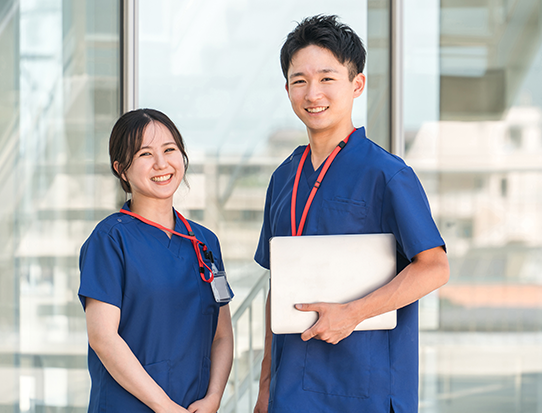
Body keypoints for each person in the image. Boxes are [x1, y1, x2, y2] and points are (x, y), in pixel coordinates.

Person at [253, 15, 449, 413]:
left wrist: (351, 314)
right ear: (287, 89)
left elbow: (434, 267)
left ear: (356, 84)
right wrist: (265, 389)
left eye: (327, 78)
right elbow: (280, 287)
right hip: (291, 393)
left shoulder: (387, 174)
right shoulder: (283, 178)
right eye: (299, 80)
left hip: (366, 389)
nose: (313, 93)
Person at [78, 108, 234, 413]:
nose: (162, 164)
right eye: (145, 154)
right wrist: (164, 406)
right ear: (121, 169)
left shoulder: (204, 242)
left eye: (169, 150)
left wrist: (214, 397)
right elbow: (103, 337)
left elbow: (223, 336)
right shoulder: (110, 239)